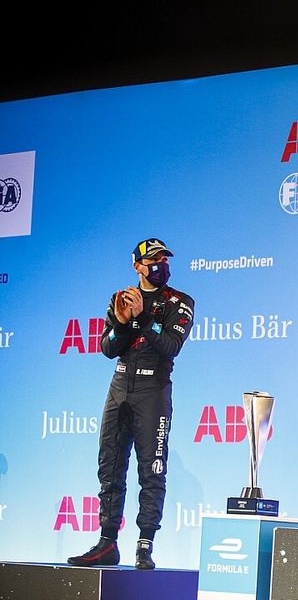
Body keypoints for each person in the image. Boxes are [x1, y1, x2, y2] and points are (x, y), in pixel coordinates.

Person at [68, 238, 195, 570]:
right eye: (153, 260)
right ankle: (107, 543)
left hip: (153, 390)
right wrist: (123, 321)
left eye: (165, 259)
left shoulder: (180, 302)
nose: (161, 265)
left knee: (151, 471)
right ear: (137, 265)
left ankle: (144, 545)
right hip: (120, 386)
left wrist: (141, 319)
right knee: (109, 467)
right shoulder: (120, 299)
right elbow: (108, 348)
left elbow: (170, 345)